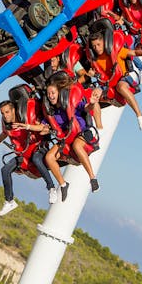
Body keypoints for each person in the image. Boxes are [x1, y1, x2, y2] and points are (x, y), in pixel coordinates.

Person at [0, 100, 57, 216]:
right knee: (5, 170)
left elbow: (42, 127)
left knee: (36, 159)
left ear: (13, 110)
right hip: (23, 155)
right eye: (2, 113)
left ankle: (51, 188)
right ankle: (9, 201)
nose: (5, 115)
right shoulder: (6, 125)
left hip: (37, 149)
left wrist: (29, 127)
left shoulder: (24, 119)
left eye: (7, 112)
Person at [40, 73, 102, 202]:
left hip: (82, 132)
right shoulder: (52, 113)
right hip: (67, 138)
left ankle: (93, 179)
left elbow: (85, 108)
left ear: (59, 93)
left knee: (77, 146)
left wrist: (91, 103)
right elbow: (43, 127)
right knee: (49, 157)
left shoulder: (71, 103)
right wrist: (31, 127)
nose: (51, 96)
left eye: (53, 93)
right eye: (49, 94)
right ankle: (63, 184)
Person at [87, 30, 142, 130]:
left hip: (124, 79)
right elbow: (101, 79)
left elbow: (134, 52)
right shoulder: (95, 61)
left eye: (98, 44)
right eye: (94, 46)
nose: (97, 48)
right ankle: (99, 128)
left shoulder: (116, 51)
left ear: (104, 43)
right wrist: (92, 74)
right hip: (109, 85)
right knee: (92, 96)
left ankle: (140, 116)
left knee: (121, 86)